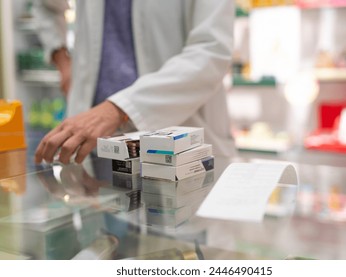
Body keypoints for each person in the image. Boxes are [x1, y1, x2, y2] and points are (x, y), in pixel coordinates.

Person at [33, 0, 237, 165]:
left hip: (177, 136)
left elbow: (211, 51)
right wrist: (63, 62)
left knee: (181, 207)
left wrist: (118, 109)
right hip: (93, 143)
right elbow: (45, 6)